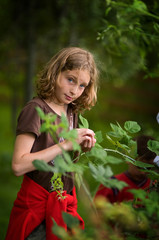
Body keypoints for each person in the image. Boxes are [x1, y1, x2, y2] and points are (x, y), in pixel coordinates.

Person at [5, 47, 99, 240]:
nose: (74, 90)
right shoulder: (36, 110)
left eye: (82, 85)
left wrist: (81, 146)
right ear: (56, 72)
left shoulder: (70, 110)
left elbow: (59, 159)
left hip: (62, 205)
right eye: (70, 79)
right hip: (36, 209)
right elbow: (18, 165)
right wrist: (65, 144)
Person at [95, 135, 156, 203]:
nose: (143, 172)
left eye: (148, 168)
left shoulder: (154, 186)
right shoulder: (111, 184)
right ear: (127, 159)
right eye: (139, 167)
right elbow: (96, 211)